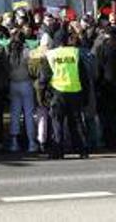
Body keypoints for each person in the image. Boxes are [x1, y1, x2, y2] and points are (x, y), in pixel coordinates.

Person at [41, 29, 88, 160]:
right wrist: (86, 95)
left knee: (57, 123)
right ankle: (82, 150)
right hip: (75, 91)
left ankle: (58, 151)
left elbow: (44, 77)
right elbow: (83, 76)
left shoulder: (50, 55)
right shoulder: (75, 52)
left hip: (58, 92)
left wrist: (43, 95)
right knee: (77, 122)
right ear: (66, 40)